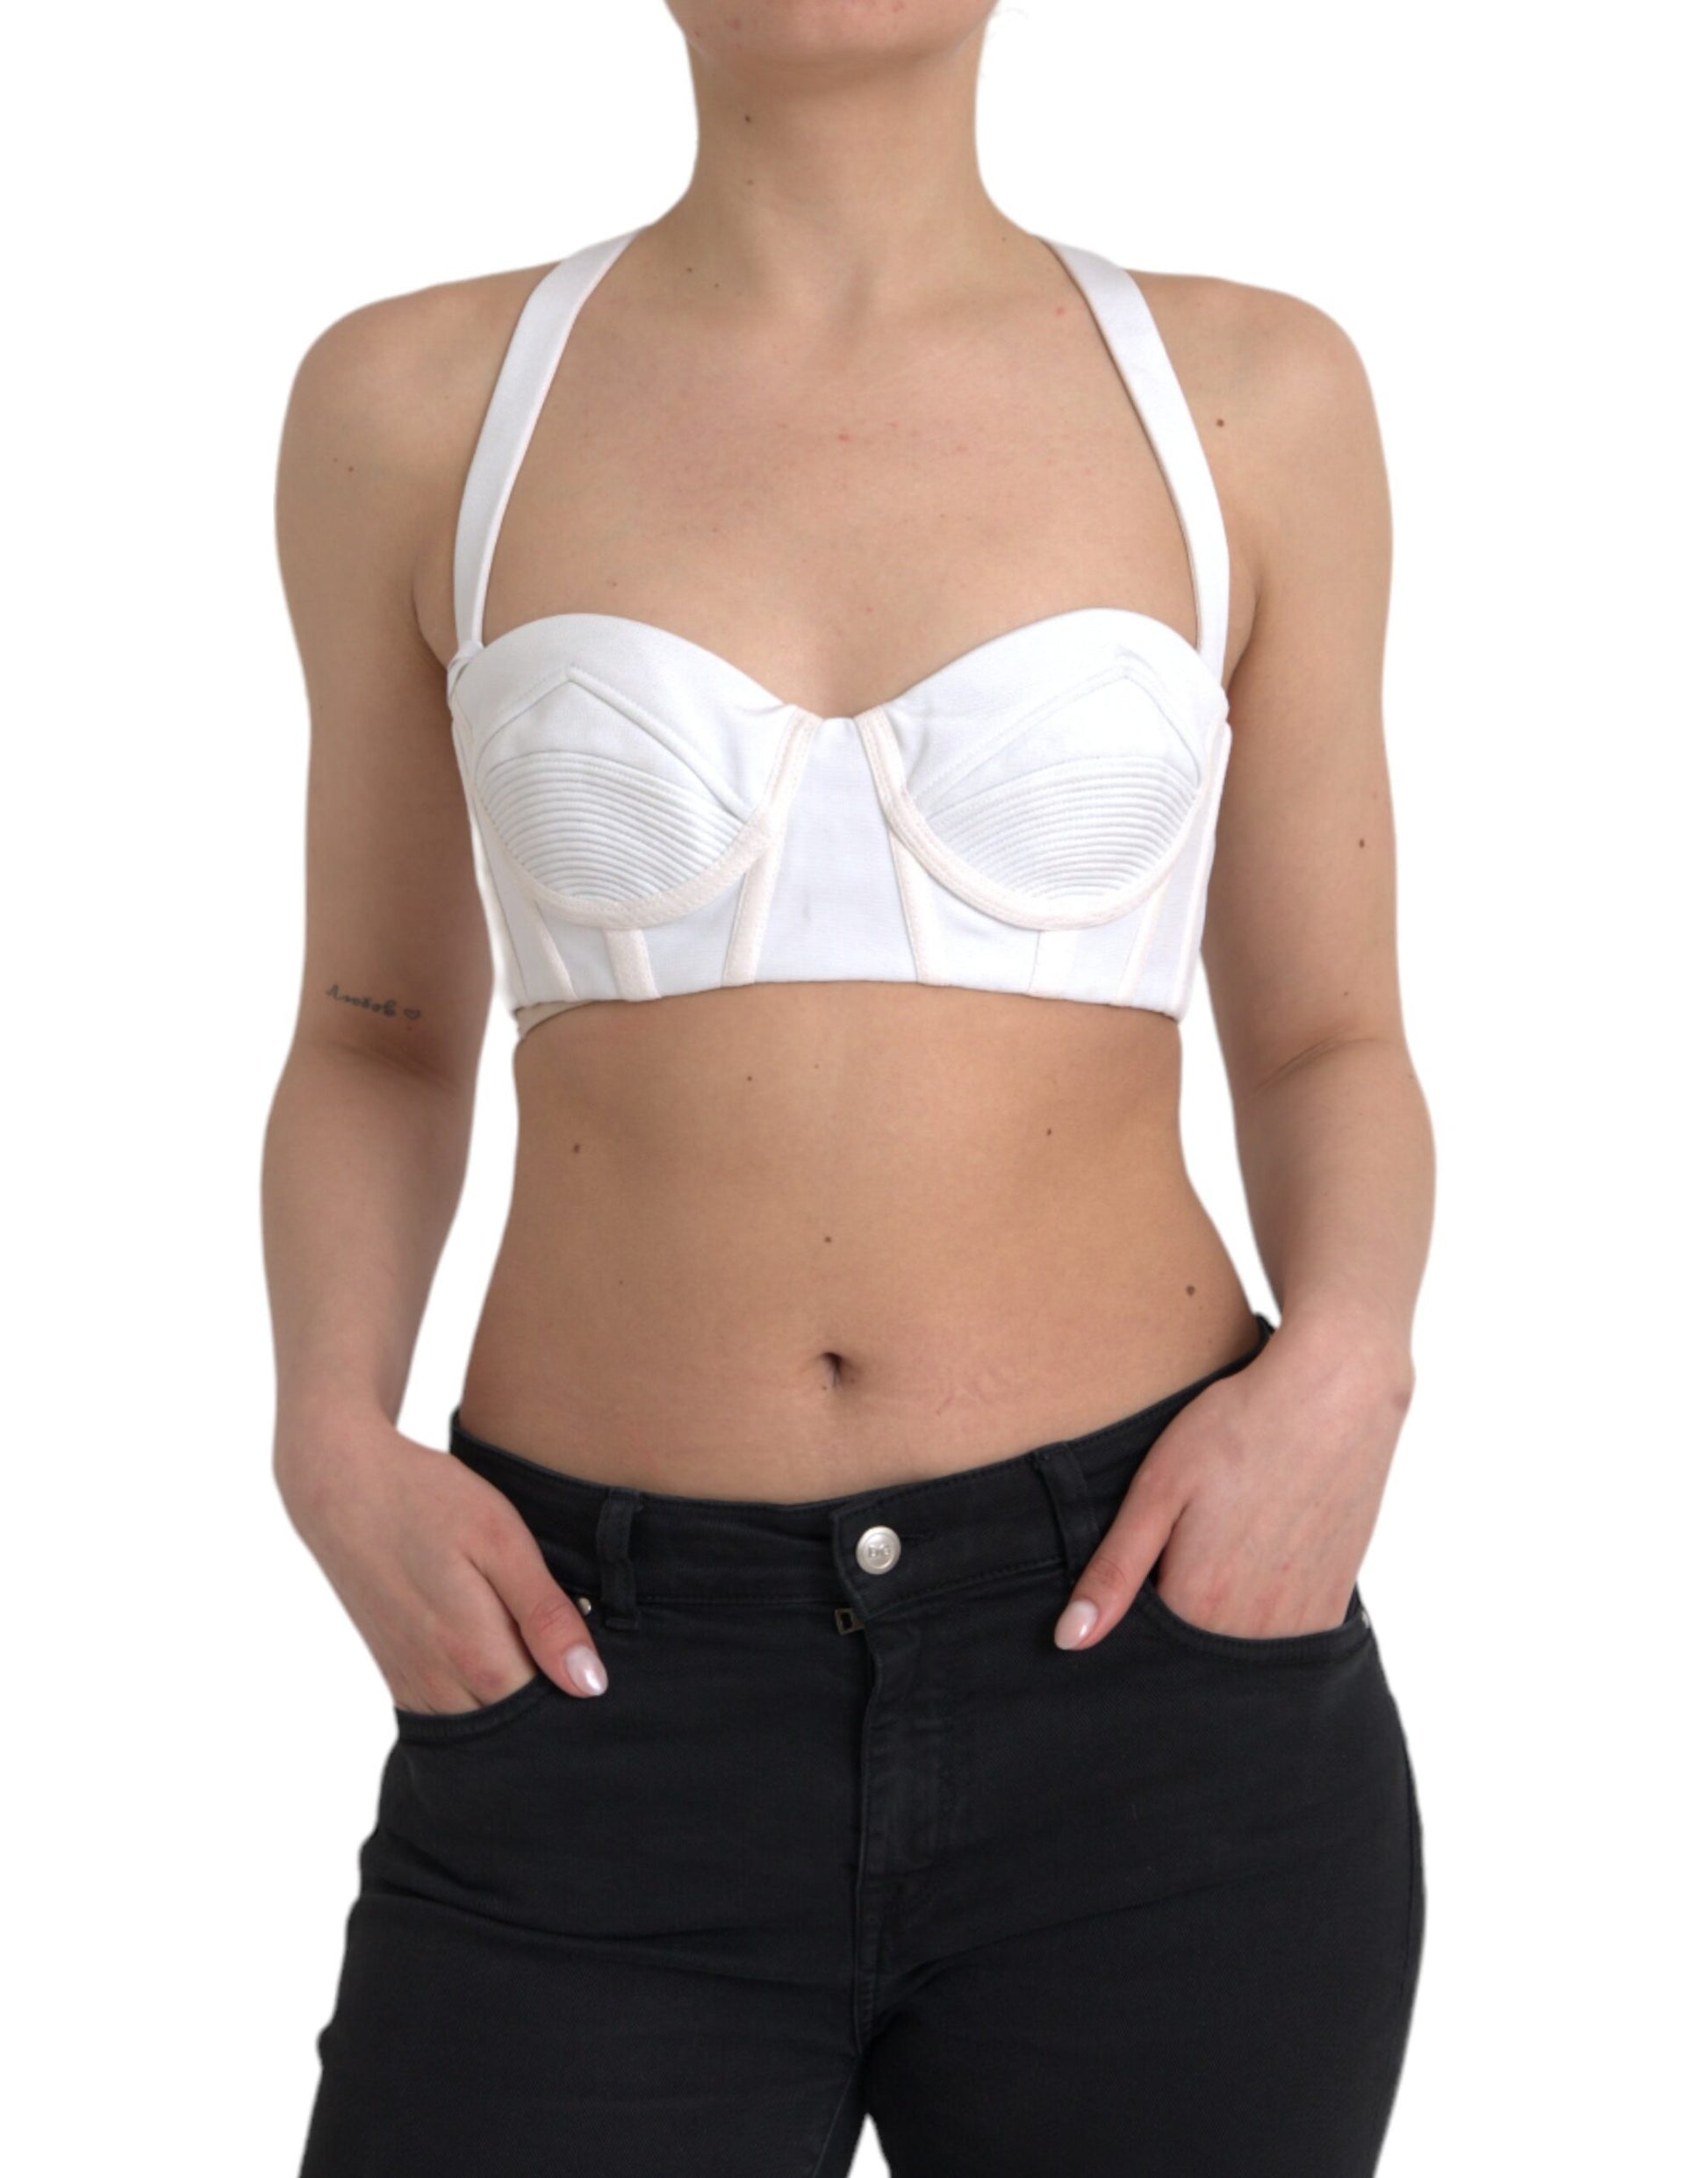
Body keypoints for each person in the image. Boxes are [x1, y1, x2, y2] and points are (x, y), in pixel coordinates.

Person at [262, 4, 1433, 2170]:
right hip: (591, 1676)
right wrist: (329, 1431)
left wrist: (1349, 1364)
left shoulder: (1250, 395)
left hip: (1150, 1661)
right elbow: (374, 1029)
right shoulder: (413, 404)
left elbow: (1326, 1032)